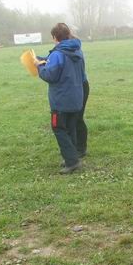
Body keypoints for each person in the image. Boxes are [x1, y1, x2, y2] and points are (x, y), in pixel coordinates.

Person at [34, 23, 85, 174]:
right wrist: (43, 61)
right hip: (76, 97)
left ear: (55, 37)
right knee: (70, 128)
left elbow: (50, 75)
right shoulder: (77, 50)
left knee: (59, 129)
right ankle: (72, 156)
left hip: (61, 101)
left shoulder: (58, 54)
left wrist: (39, 66)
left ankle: (72, 161)